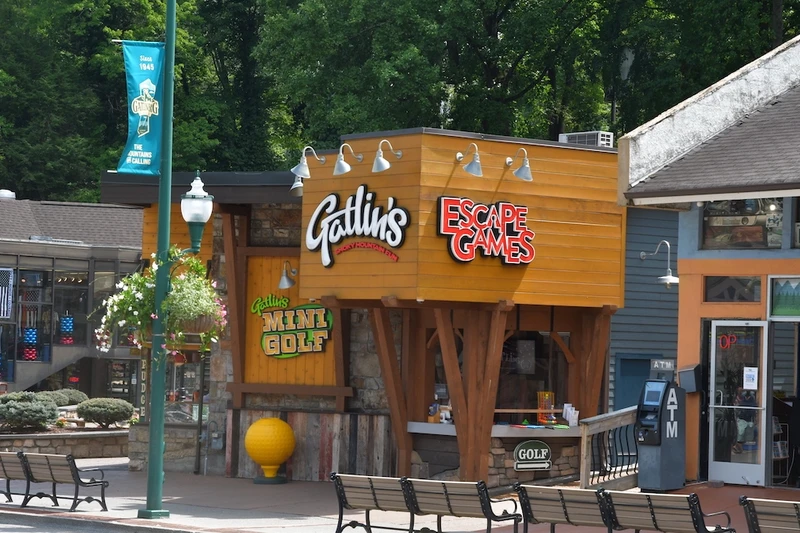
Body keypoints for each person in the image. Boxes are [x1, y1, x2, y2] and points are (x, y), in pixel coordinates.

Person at [733, 388, 757, 454]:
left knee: (746, 433)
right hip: (742, 417)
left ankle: (739, 447)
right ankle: (738, 446)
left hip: (749, 418)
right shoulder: (739, 398)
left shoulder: (752, 398)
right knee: (741, 433)